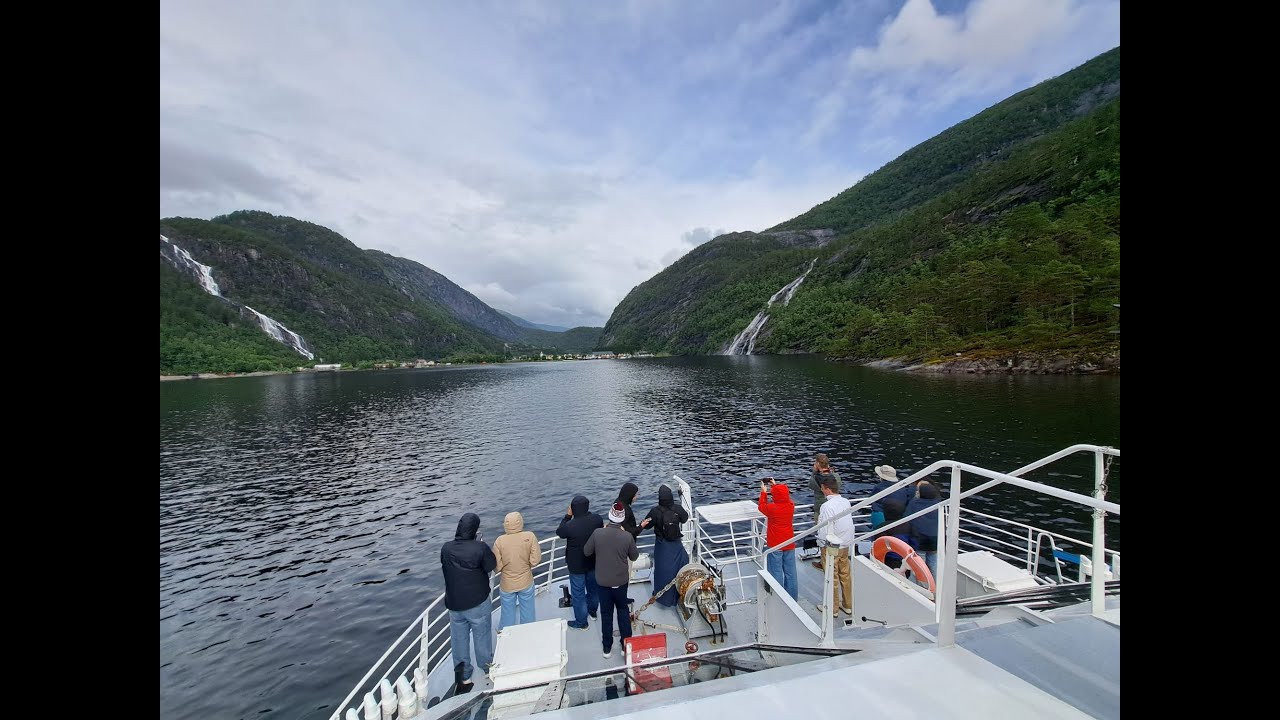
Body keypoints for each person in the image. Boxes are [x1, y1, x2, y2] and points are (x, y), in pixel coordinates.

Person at [440, 512, 496, 691]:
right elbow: (490, 566)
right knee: (481, 635)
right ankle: (486, 667)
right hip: (477, 601)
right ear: (475, 530)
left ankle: (463, 676)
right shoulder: (480, 548)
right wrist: (481, 545)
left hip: (455, 603)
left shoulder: (446, 548)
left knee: (458, 639)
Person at [584, 502, 639, 659]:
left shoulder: (597, 533)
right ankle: (625, 645)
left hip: (603, 582)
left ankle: (606, 648)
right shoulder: (627, 536)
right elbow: (634, 556)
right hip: (621, 582)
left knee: (606, 614)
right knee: (623, 611)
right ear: (621, 520)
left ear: (609, 517)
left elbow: (586, 551)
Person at [556, 495, 603, 629]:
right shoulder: (597, 519)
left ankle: (582, 622)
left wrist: (567, 516)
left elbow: (560, 531)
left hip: (576, 565)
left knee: (578, 593)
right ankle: (592, 612)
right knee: (594, 589)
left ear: (573, 509)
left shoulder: (570, 526)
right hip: (593, 560)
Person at [641, 484, 690, 607]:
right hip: (676, 544)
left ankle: (663, 598)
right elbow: (685, 518)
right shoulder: (677, 509)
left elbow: (646, 525)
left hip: (662, 545)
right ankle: (678, 595)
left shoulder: (655, 511)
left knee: (662, 571)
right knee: (679, 568)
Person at [815, 478, 856, 617]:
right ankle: (848, 605)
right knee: (845, 574)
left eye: (822, 488)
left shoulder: (827, 506)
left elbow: (824, 528)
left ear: (827, 489)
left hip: (832, 546)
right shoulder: (845, 501)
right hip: (846, 543)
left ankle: (832, 608)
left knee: (831, 576)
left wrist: (821, 544)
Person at [493, 511, 541, 630]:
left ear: (505, 524)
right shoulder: (529, 536)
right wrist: (526, 565)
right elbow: (536, 560)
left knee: (507, 614)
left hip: (507, 583)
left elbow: (497, 566)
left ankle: (506, 636)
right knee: (528, 612)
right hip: (526, 580)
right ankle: (527, 633)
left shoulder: (500, 540)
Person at [757, 477, 798, 600]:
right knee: (790, 573)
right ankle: (792, 597)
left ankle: (778, 598)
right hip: (789, 542)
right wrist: (775, 486)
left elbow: (761, 507)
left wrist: (763, 492)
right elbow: (784, 497)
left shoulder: (772, 509)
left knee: (776, 572)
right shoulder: (791, 506)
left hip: (776, 543)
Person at [905, 481, 943, 585]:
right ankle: (937, 587)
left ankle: (921, 589)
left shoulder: (914, 503)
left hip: (919, 540)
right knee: (934, 565)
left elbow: (906, 518)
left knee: (919, 567)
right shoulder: (938, 504)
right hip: (935, 540)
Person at [809, 453, 842, 570]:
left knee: (822, 536)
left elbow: (811, 485)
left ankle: (824, 562)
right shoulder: (835, 476)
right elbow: (839, 485)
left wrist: (814, 472)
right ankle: (837, 558)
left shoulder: (816, 478)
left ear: (817, 464)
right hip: (836, 509)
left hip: (820, 508)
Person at [870, 464, 914, 530]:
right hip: (899, 516)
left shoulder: (878, 487)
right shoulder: (902, 487)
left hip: (881, 515)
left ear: (881, 477)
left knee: (878, 533)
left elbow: (871, 499)